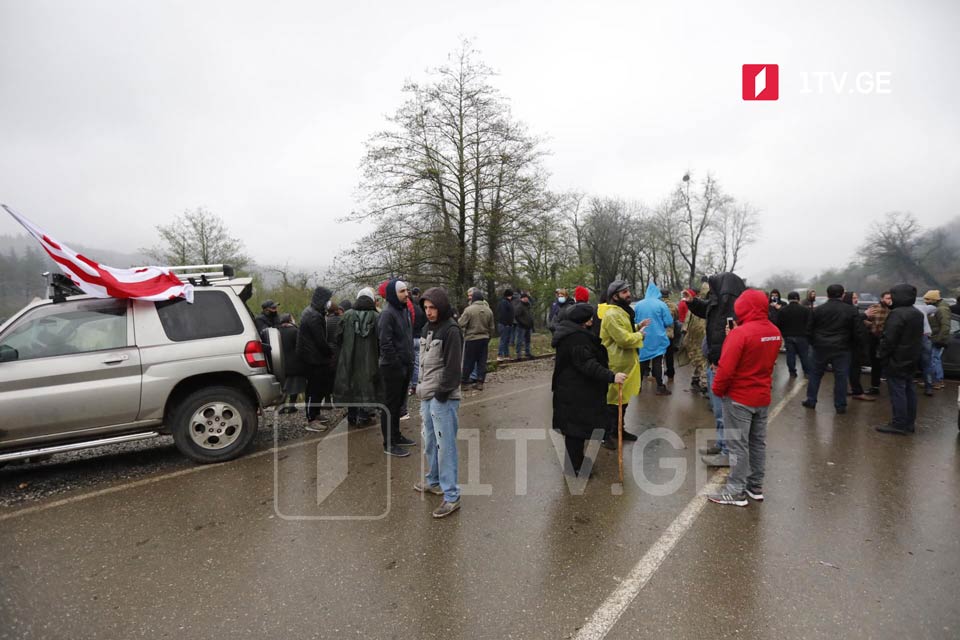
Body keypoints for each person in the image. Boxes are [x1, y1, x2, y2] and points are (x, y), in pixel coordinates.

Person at [706, 289, 783, 507]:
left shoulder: (740, 334)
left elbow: (726, 368)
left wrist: (717, 389)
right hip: (762, 395)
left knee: (738, 445)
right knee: (757, 442)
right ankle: (755, 486)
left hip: (739, 397)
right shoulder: (775, 331)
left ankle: (735, 490)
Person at [552, 303, 628, 476]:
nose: (593, 321)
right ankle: (574, 468)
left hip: (572, 388)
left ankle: (576, 461)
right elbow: (587, 364)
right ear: (585, 321)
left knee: (575, 428)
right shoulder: (576, 338)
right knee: (575, 431)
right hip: (574, 390)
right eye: (590, 319)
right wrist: (612, 376)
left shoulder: (570, 333)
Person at [686, 272, 747, 466]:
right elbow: (707, 310)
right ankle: (722, 444)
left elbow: (728, 339)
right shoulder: (719, 303)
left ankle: (728, 452)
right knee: (718, 410)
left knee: (726, 411)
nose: (711, 290)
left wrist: (719, 360)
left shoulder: (735, 309)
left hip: (724, 366)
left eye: (713, 287)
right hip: (716, 363)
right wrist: (692, 302)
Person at [415, 287, 464, 518]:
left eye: (432, 307)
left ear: (441, 306)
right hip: (427, 395)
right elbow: (424, 363)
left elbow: (454, 369)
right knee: (429, 442)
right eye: (425, 308)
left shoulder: (452, 330)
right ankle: (433, 481)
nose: (429, 312)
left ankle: (451, 496)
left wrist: (441, 395)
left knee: (446, 448)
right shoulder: (427, 328)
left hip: (443, 398)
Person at [599, 280, 648, 450]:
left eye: (628, 291)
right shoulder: (612, 314)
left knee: (622, 400)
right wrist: (640, 335)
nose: (629, 294)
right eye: (624, 292)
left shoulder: (621, 312)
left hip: (625, 364)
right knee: (612, 402)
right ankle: (608, 434)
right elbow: (623, 339)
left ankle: (619, 430)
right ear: (615, 296)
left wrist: (637, 326)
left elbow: (625, 330)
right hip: (615, 364)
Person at [802, 284, 862, 415]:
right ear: (842, 295)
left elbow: (808, 330)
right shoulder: (851, 310)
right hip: (842, 348)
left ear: (827, 294)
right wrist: (852, 346)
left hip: (820, 347)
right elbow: (857, 332)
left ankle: (811, 400)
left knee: (815, 375)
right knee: (841, 377)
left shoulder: (818, 310)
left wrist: (814, 343)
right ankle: (840, 405)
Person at [876, 284, 924, 435]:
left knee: (898, 392)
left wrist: (881, 355)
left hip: (897, 359)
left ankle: (899, 424)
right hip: (912, 357)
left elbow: (889, 339)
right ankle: (909, 423)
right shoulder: (917, 313)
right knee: (909, 390)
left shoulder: (897, 314)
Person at [377, 278, 417, 456]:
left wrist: (409, 362)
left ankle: (397, 435)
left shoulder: (404, 311)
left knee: (399, 404)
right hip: (392, 368)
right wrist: (397, 365)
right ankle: (389, 443)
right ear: (394, 293)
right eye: (402, 291)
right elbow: (385, 343)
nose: (406, 294)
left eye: (406, 290)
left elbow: (406, 338)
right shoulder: (387, 314)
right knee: (390, 405)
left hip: (405, 365)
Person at [334, 288, 382, 427]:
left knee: (351, 385)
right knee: (367, 385)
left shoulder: (347, 315)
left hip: (349, 358)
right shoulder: (377, 316)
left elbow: (337, 337)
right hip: (371, 358)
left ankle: (352, 416)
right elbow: (381, 339)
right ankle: (364, 416)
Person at [297, 287, 336, 430]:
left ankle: (316, 413)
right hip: (313, 359)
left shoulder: (312, 312)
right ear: (322, 299)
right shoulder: (314, 316)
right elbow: (320, 340)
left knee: (318, 388)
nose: (329, 303)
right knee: (313, 389)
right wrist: (330, 351)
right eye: (327, 299)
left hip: (314, 358)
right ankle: (311, 419)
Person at [633, 282, 674, 395]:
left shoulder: (638, 305)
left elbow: (634, 321)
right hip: (658, 338)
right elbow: (669, 321)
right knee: (658, 361)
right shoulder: (661, 304)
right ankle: (660, 387)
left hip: (643, 337)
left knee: (642, 362)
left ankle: (637, 387)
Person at [458, 289, 495, 391]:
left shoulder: (469, 310)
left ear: (473, 299)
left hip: (471, 339)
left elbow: (460, 324)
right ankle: (480, 382)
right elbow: (492, 328)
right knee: (482, 361)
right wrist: (488, 337)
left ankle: (464, 382)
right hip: (484, 339)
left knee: (468, 361)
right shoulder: (489, 310)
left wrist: (464, 332)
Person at [843, 292, 875, 402]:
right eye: (853, 297)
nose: (856, 299)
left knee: (853, 369)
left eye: (856, 297)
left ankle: (852, 389)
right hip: (851, 345)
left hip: (854, 344)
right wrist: (865, 315)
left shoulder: (852, 309)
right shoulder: (848, 309)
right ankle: (856, 391)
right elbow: (850, 320)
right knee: (852, 368)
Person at [776, 291, 812, 378]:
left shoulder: (782, 310)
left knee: (790, 355)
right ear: (798, 299)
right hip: (802, 336)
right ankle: (807, 372)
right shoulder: (805, 310)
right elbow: (809, 323)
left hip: (788, 336)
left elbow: (779, 324)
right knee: (804, 355)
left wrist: (783, 334)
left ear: (788, 299)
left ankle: (792, 372)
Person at [863, 291, 892, 395]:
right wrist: (872, 326)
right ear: (882, 298)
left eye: (890, 298)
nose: (889, 300)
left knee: (888, 362)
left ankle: (890, 384)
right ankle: (875, 386)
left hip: (888, 339)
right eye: (887, 298)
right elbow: (863, 319)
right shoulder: (874, 307)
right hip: (875, 339)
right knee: (875, 363)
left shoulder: (893, 310)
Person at [681, 286, 708, 394]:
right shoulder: (702, 305)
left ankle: (696, 380)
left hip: (694, 337)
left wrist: (684, 332)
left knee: (699, 360)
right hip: (698, 337)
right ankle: (705, 387)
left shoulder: (697, 305)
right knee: (702, 361)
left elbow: (686, 322)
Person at [277, 313, 305, 414]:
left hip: (280, 364)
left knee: (284, 387)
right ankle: (292, 406)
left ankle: (281, 407)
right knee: (295, 386)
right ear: (289, 320)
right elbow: (300, 347)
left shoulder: (277, 331)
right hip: (295, 364)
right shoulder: (295, 331)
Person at [924, 290, 951, 392]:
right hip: (933, 338)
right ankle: (930, 380)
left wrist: (940, 340)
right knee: (931, 360)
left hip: (937, 339)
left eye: (927, 299)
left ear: (933, 299)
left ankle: (938, 381)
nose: (925, 301)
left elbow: (945, 326)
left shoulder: (942, 309)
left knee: (935, 359)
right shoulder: (936, 308)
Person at [409, 287, 427, 395]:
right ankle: (420, 382)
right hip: (420, 337)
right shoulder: (421, 309)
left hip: (411, 337)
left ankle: (414, 385)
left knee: (412, 363)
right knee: (419, 362)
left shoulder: (409, 309)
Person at [660, 288, 680, 382]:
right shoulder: (673, 305)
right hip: (669, 333)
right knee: (669, 354)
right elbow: (677, 317)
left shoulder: (658, 304)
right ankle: (670, 373)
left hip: (659, 333)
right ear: (668, 294)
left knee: (658, 355)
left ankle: (657, 373)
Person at [496, 288, 516, 362]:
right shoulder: (504, 302)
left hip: (507, 324)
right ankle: (500, 355)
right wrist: (507, 323)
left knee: (506, 340)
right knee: (503, 340)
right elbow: (503, 314)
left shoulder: (507, 302)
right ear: (509, 295)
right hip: (504, 324)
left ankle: (506, 355)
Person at [513, 291, 535, 359]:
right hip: (521, 326)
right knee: (520, 340)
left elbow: (529, 315)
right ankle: (518, 354)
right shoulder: (519, 306)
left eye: (526, 297)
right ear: (521, 298)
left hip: (528, 326)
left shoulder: (528, 306)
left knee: (527, 340)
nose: (526, 299)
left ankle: (527, 353)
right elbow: (516, 316)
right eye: (524, 298)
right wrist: (522, 322)